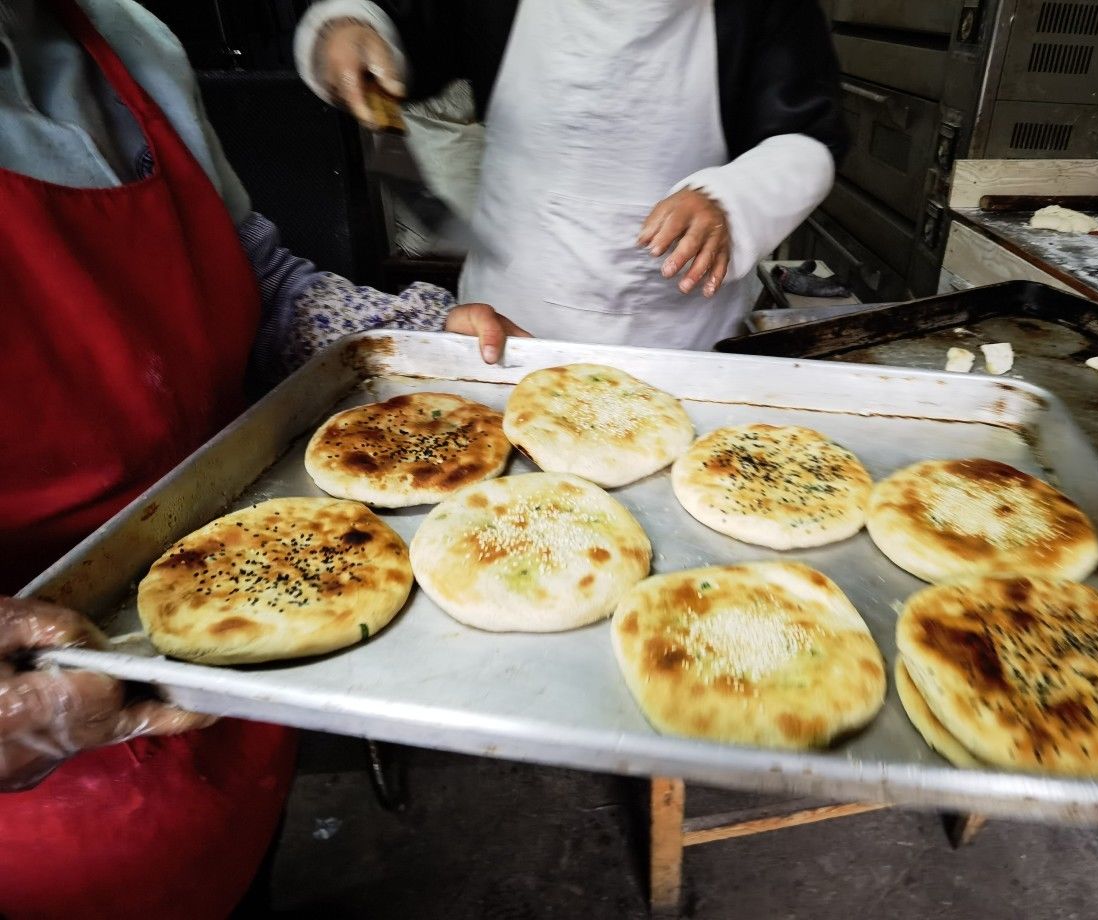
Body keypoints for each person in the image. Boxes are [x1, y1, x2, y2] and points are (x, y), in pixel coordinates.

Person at [0, 1, 523, 916]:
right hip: (48, 785)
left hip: (253, 595)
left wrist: (413, 334)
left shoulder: (124, 35)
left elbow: (259, 280)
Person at [296, 0, 848, 350]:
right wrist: (350, 23)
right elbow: (406, 22)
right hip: (510, 318)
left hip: (680, 332)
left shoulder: (769, 9)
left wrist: (732, 199)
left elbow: (809, 136)